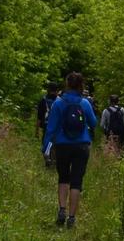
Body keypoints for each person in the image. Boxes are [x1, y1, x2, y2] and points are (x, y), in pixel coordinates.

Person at [43, 72, 97, 228]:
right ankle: (72, 218)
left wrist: (45, 147)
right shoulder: (85, 103)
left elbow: (51, 128)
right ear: (81, 85)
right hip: (81, 146)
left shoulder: (58, 103)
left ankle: (62, 210)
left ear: (67, 84)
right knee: (76, 181)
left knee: (63, 178)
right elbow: (93, 123)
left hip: (62, 145)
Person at [36, 82, 59, 166]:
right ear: (56, 90)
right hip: (57, 126)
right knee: (55, 143)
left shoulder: (43, 100)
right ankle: (54, 159)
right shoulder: (59, 100)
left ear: (48, 89)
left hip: (46, 125)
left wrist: (37, 130)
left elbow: (39, 116)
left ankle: (47, 159)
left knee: (46, 142)